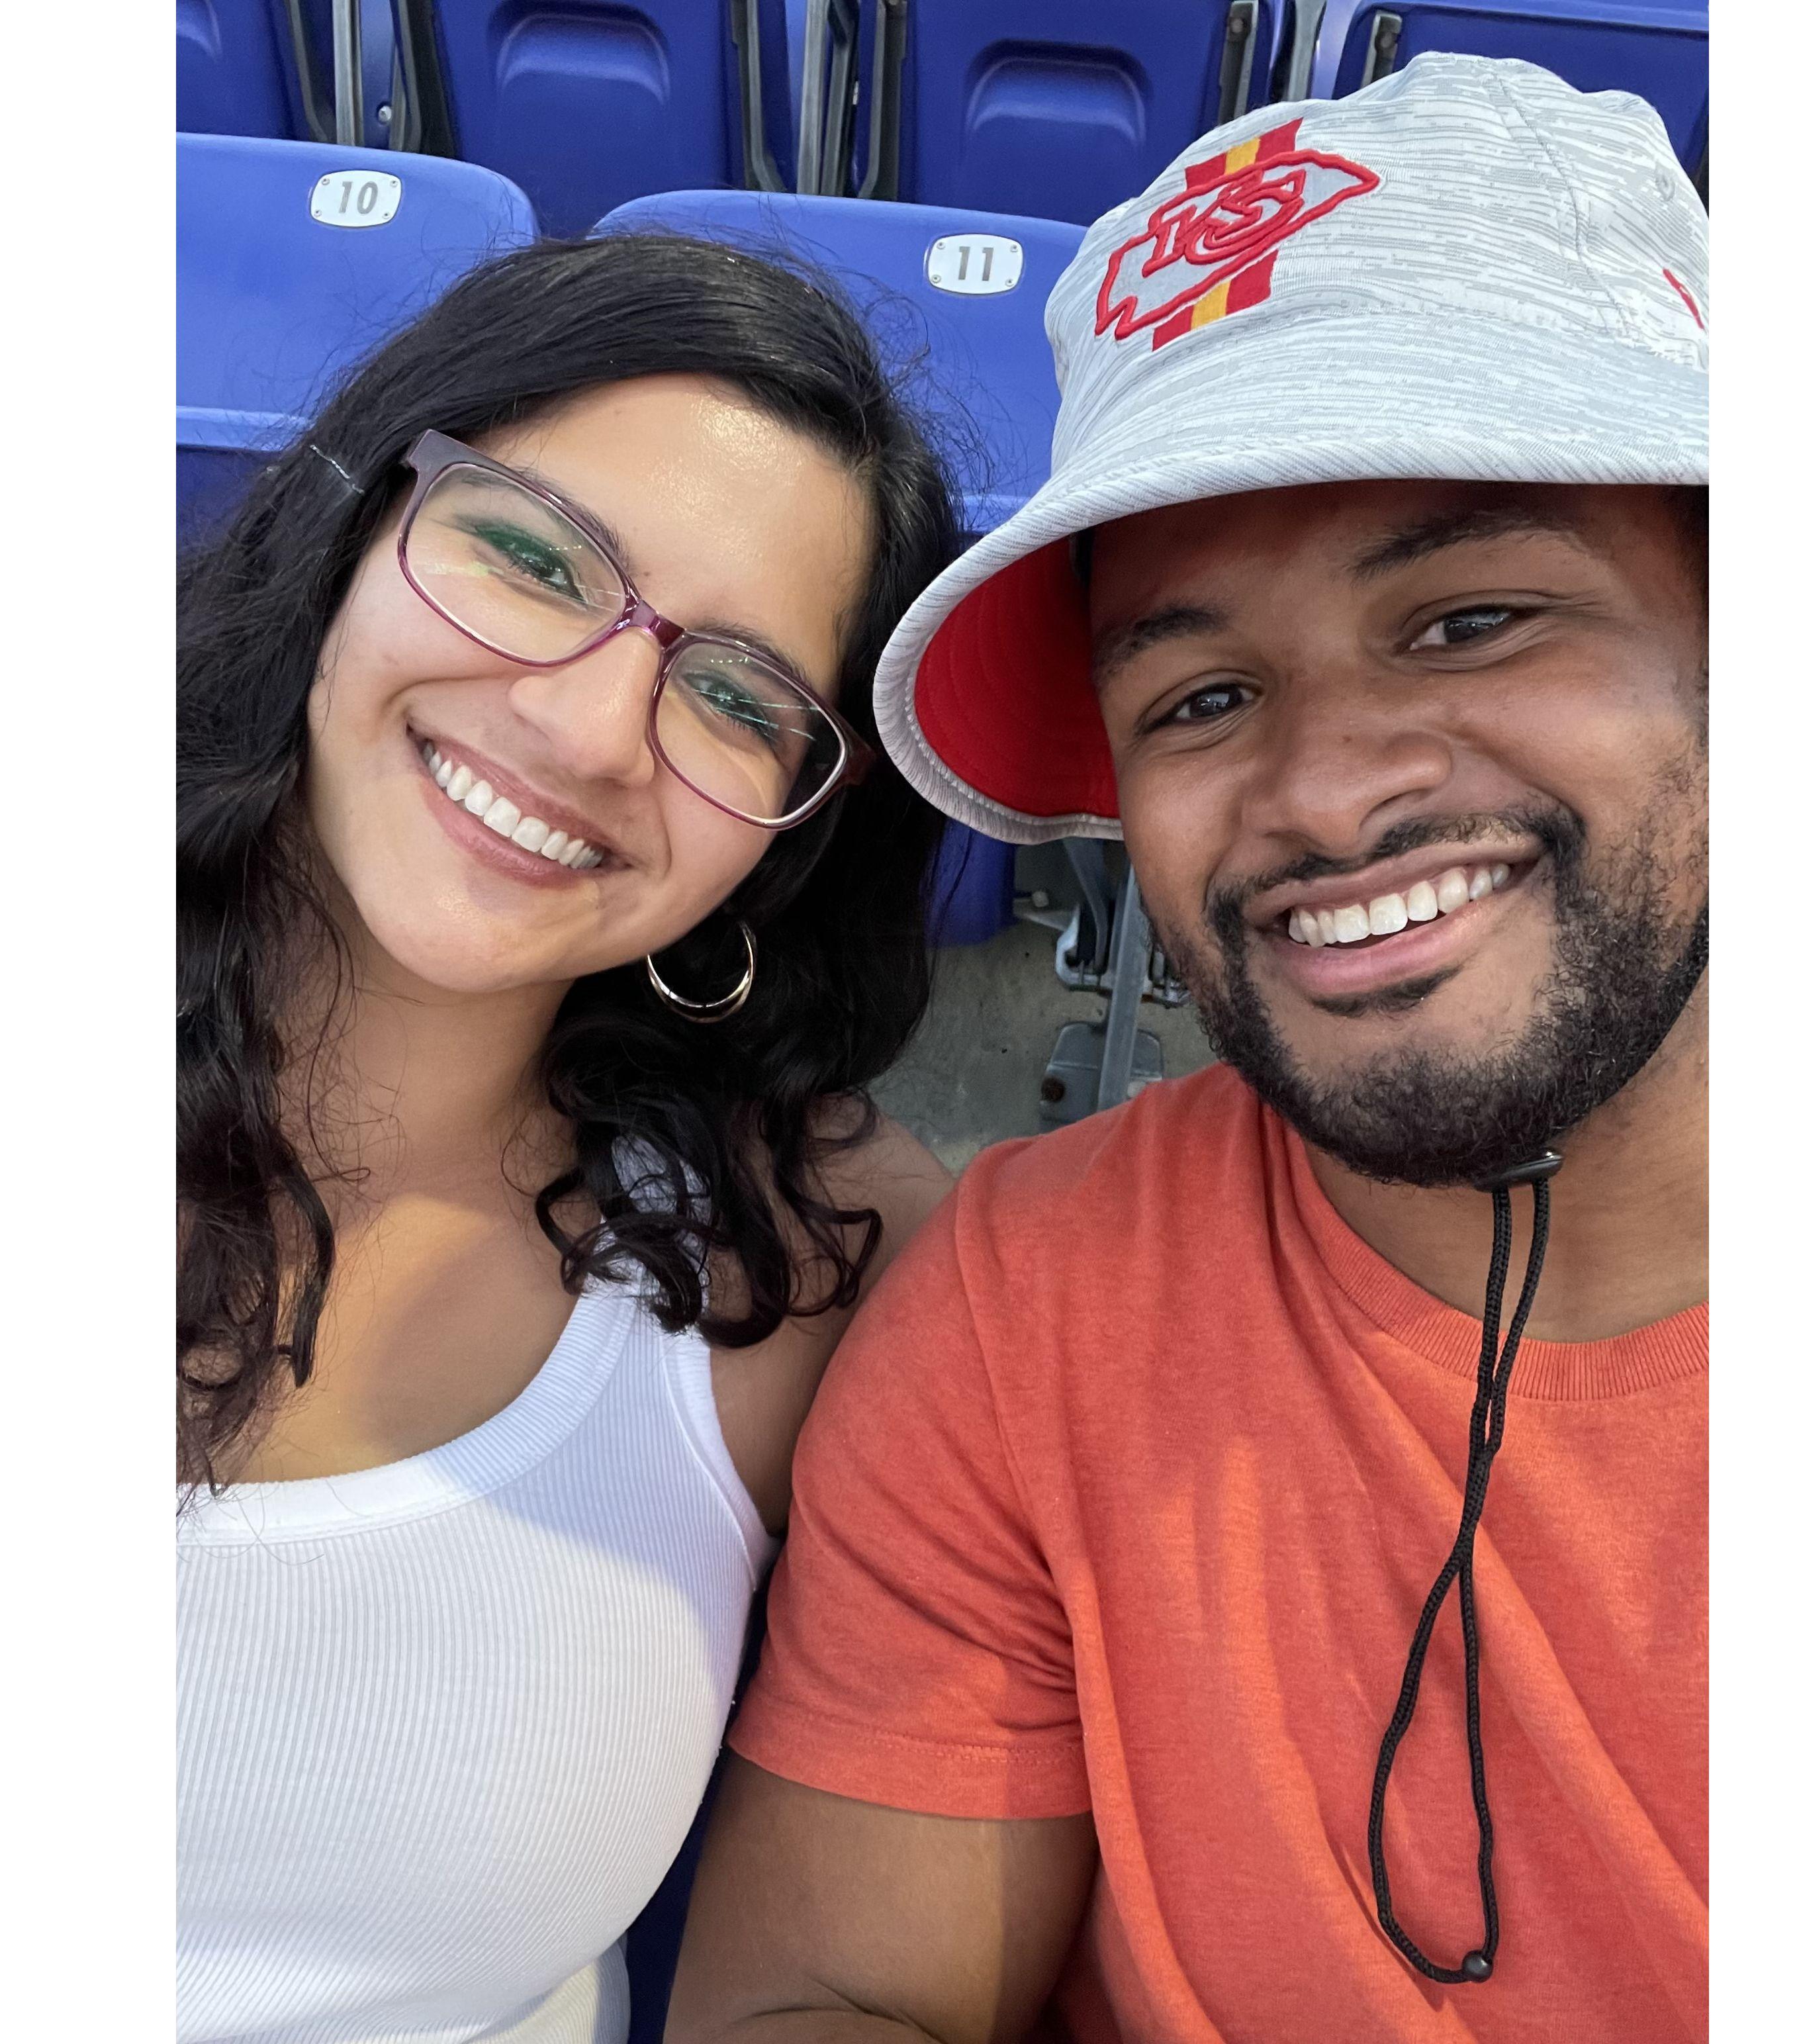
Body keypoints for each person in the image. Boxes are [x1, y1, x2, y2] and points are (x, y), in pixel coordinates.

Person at [669, 56, 1708, 2044]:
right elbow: (821, 1998)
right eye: (1206, 692)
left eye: (1472, 617)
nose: (1321, 793)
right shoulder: (1025, 1303)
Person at [175, 234, 959, 2044]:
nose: (595, 728)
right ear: (350, 525)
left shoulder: (824, 1255)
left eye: (743, 698)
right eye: (534, 562)